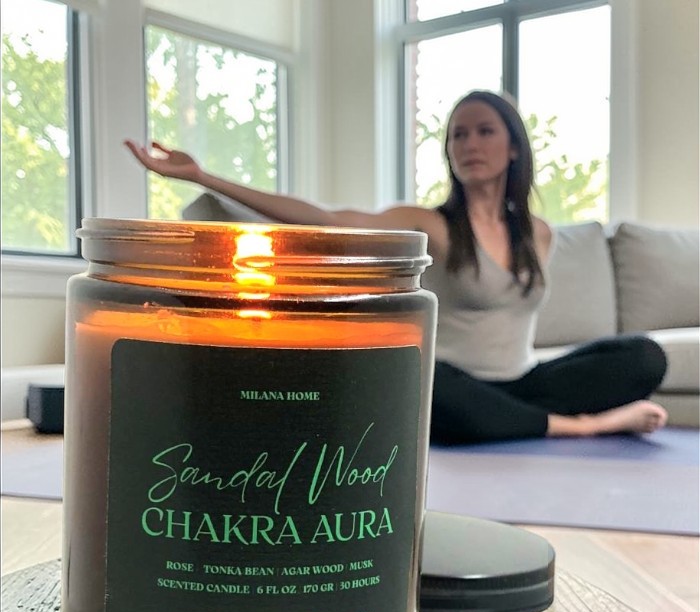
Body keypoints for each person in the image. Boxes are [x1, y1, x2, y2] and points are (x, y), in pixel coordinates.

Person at [125, 90, 668, 444]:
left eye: (484, 131)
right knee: (423, 387)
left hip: (522, 384)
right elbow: (329, 219)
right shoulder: (430, 223)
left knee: (643, 356)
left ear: (513, 148)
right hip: (449, 383)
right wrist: (203, 177)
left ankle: (516, 421)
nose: (469, 144)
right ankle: (586, 427)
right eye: (458, 134)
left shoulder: (539, 234)